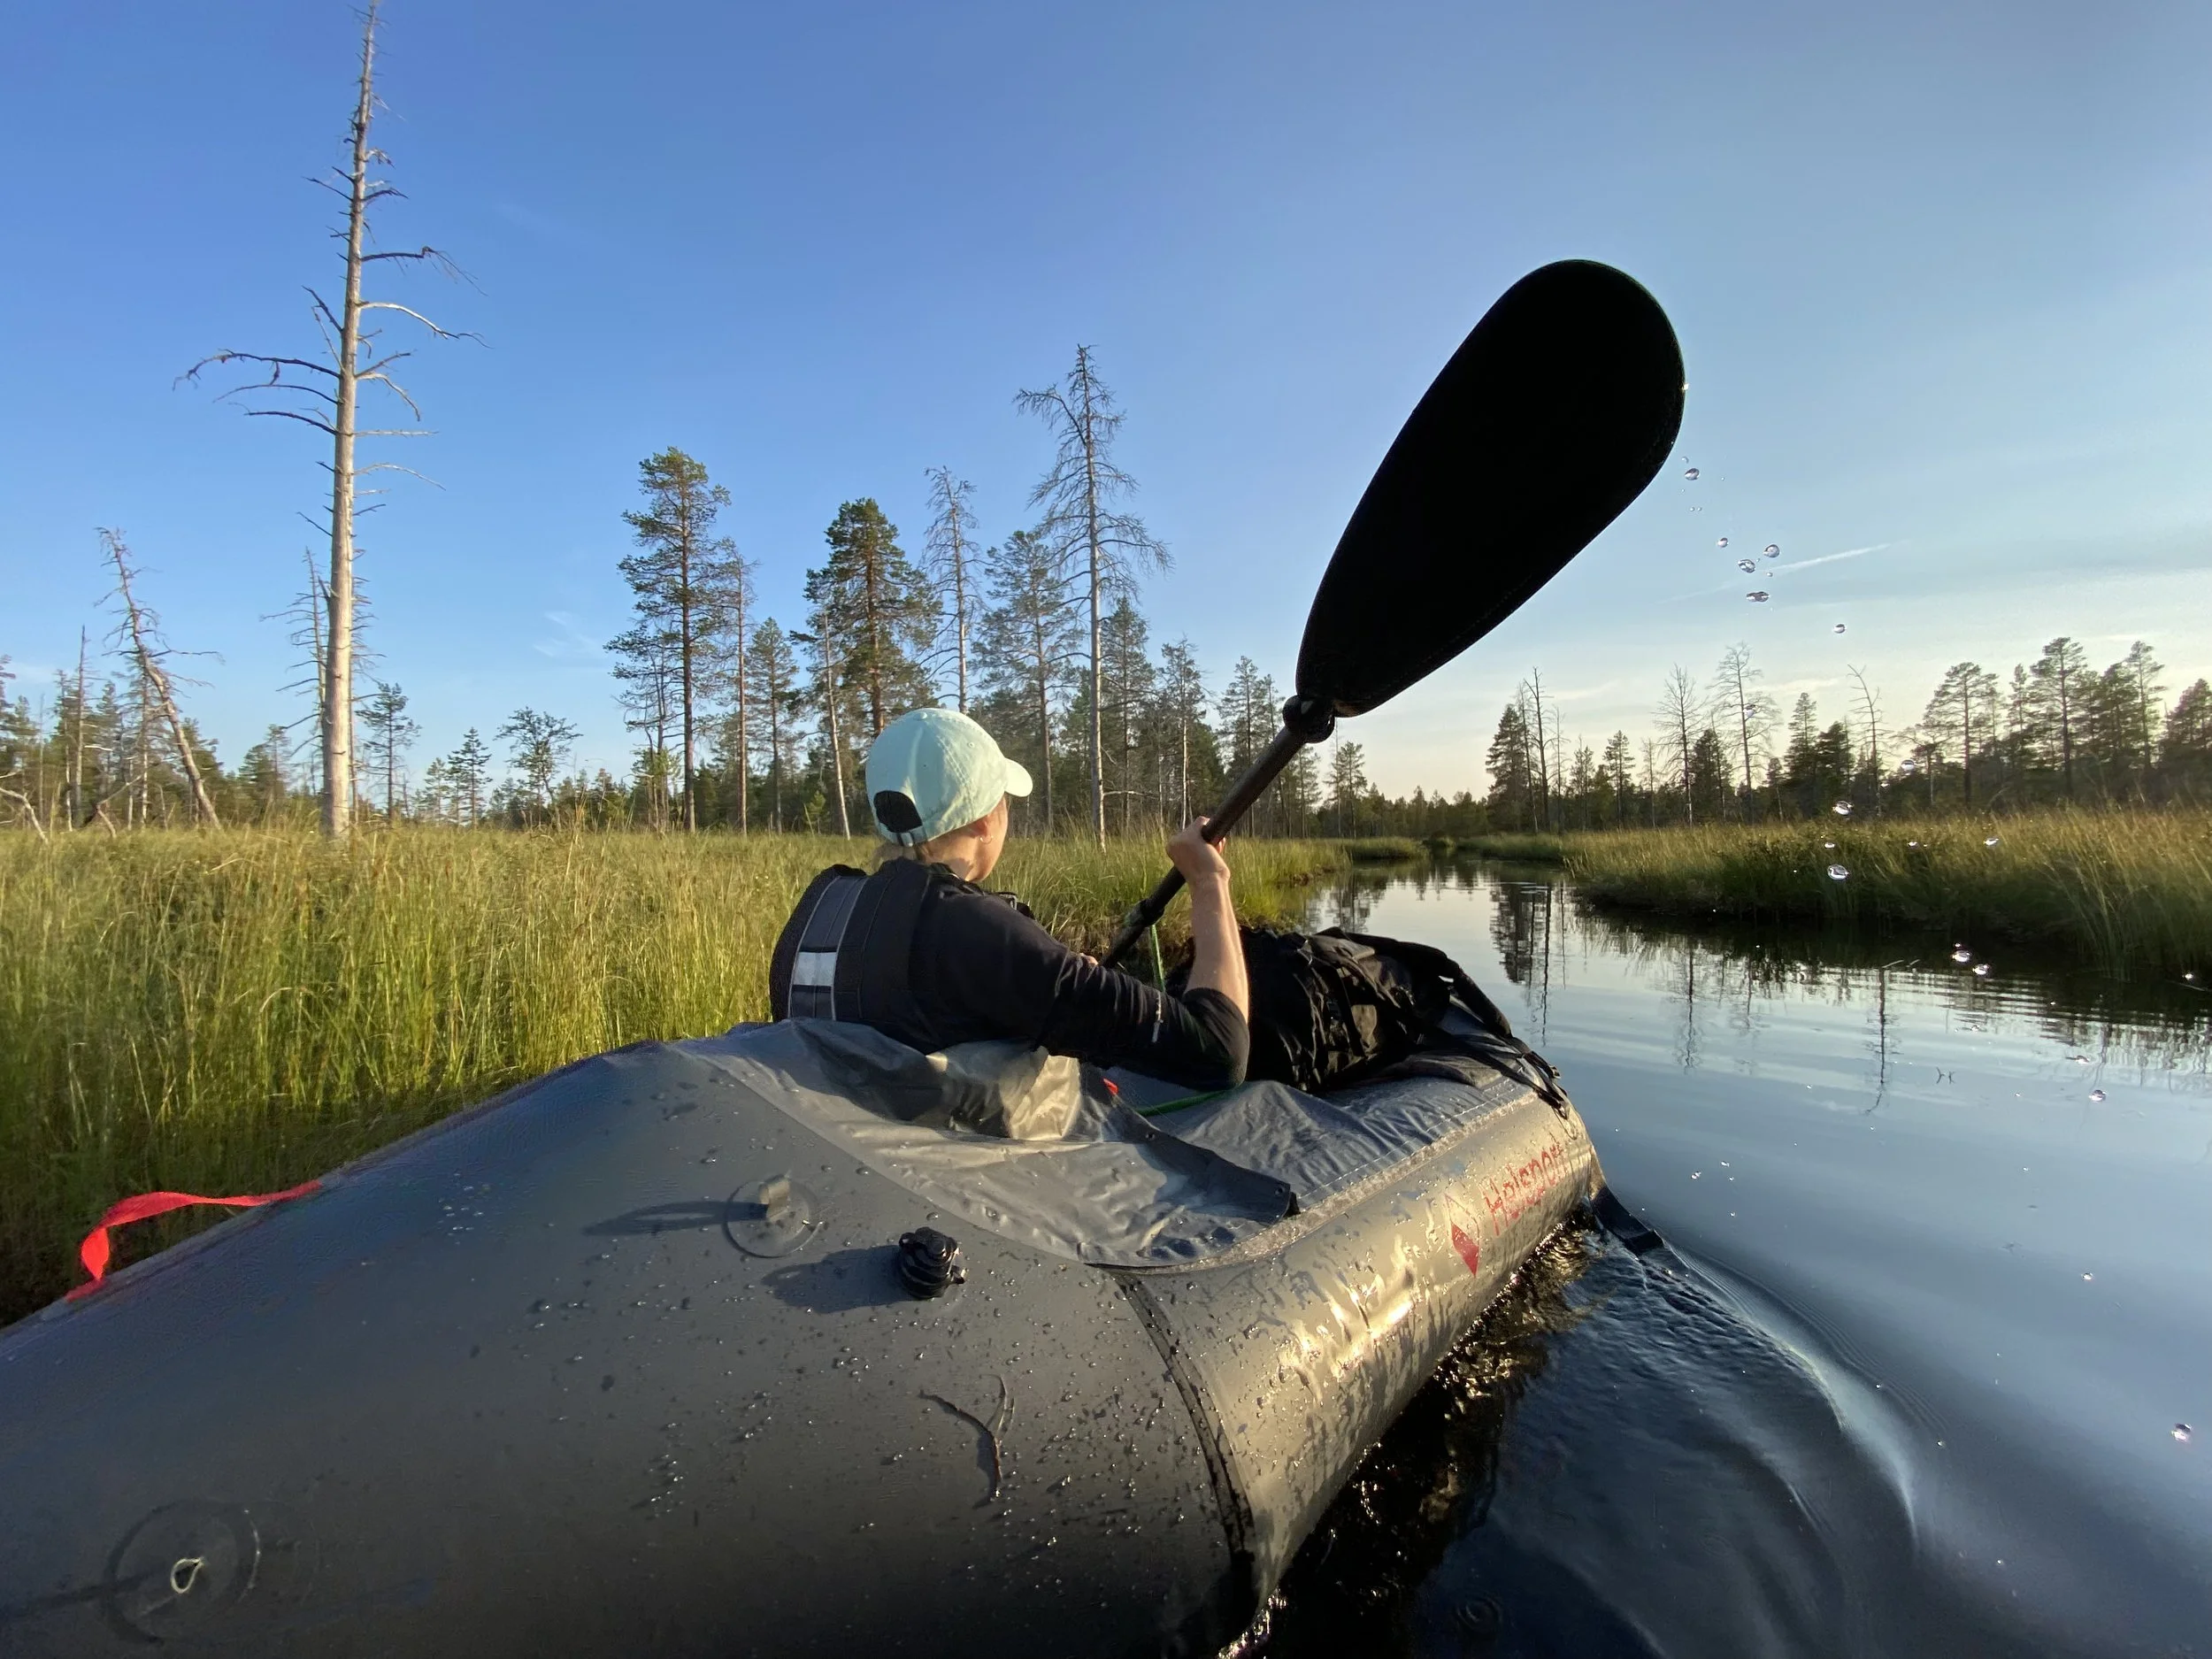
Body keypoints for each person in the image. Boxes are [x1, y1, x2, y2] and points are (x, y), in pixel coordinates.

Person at [769, 707, 1249, 1090]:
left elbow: (913, 1013)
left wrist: (1049, 980)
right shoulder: (976, 932)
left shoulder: (824, 903)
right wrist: (1208, 881)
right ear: (984, 819)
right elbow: (1220, 1053)